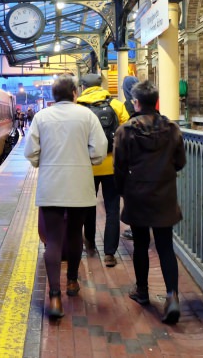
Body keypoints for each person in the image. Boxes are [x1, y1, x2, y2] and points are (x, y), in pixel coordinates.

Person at [24, 75, 108, 319]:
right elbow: (99, 149)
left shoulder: (41, 117)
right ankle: (72, 282)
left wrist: (42, 162)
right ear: (74, 93)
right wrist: (88, 161)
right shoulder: (87, 116)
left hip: (51, 185)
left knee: (53, 240)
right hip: (80, 185)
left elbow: (31, 151)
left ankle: (54, 298)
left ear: (53, 96)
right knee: (74, 234)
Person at [114, 80, 186, 324]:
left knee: (141, 245)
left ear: (136, 102)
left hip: (137, 196)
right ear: (156, 101)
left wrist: (123, 191)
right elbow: (180, 162)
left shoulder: (126, 130)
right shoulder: (172, 129)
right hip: (164, 195)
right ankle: (172, 296)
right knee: (165, 246)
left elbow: (120, 167)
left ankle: (142, 291)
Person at [76, 73, 129, 266]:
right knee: (112, 209)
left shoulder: (78, 108)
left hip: (87, 166)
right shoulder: (115, 105)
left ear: (83, 87)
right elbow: (126, 130)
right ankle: (109, 254)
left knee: (88, 207)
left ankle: (90, 245)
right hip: (112, 166)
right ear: (100, 85)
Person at [120, 75, 140, 241]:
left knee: (131, 197)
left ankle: (136, 229)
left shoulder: (126, 106)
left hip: (132, 161)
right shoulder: (158, 117)